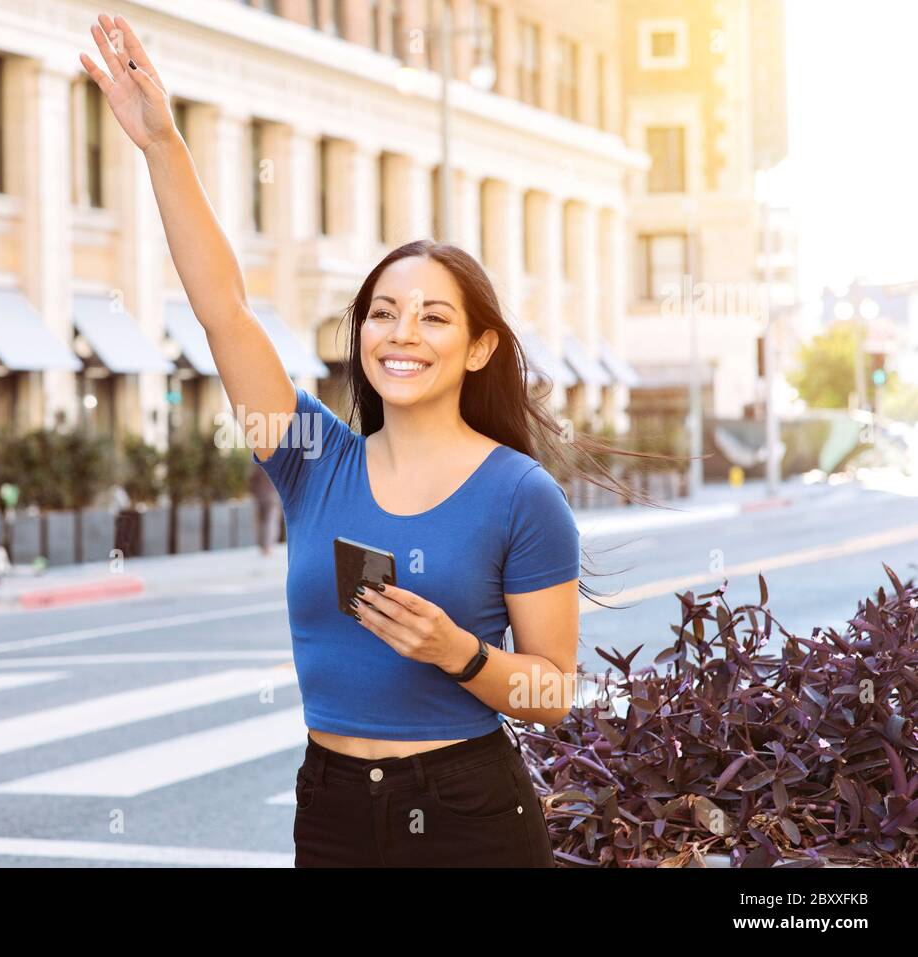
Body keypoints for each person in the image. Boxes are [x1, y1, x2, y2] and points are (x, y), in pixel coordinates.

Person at [79, 13, 672, 867]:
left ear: (477, 348)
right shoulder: (311, 458)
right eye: (383, 313)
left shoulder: (520, 495)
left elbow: (553, 691)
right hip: (331, 808)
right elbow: (224, 310)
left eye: (434, 316)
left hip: (469, 811)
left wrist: (458, 653)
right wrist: (162, 144)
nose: (402, 333)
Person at [247, 457, 281, 556]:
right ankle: (268, 546)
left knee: (261, 521)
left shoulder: (256, 459)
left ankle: (263, 546)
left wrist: (253, 491)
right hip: (272, 493)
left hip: (260, 494)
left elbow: (252, 477)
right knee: (270, 520)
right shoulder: (276, 457)